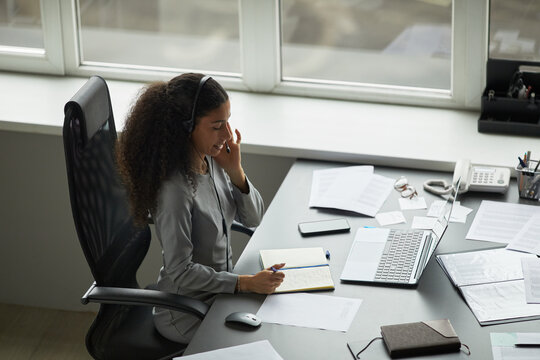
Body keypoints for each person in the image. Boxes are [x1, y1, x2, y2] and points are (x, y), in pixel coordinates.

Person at [116, 73, 285, 343]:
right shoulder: (174, 191)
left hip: (221, 293)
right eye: (217, 125)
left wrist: (236, 172)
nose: (227, 134)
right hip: (185, 312)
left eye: (228, 122)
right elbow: (180, 271)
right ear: (185, 128)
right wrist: (244, 283)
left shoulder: (213, 159)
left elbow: (253, 218)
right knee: (261, 340)